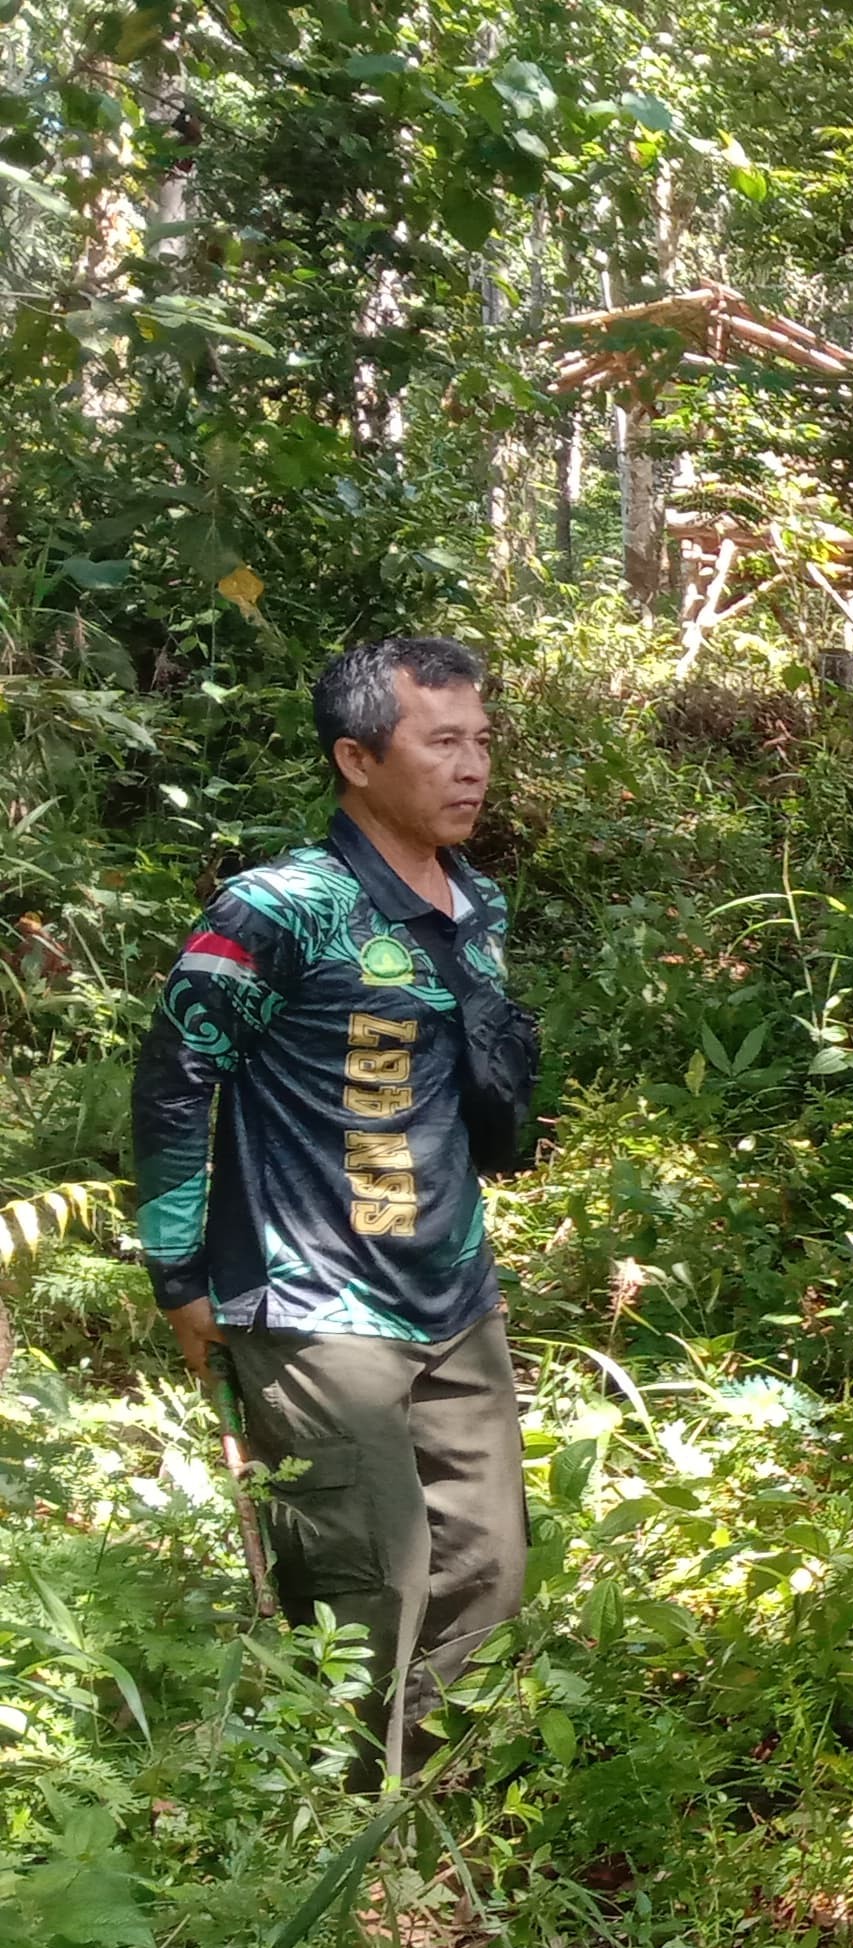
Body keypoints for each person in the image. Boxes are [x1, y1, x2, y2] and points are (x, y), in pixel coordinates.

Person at [134, 637, 537, 1790]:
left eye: (481, 741)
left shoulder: (476, 901)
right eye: (441, 742)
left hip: (454, 1296)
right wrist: (180, 1273)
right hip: (314, 1301)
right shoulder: (277, 909)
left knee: (489, 1574)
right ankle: (352, 1842)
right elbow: (176, 1078)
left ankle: (432, 1814)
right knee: (371, 1588)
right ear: (357, 760)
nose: (472, 767)